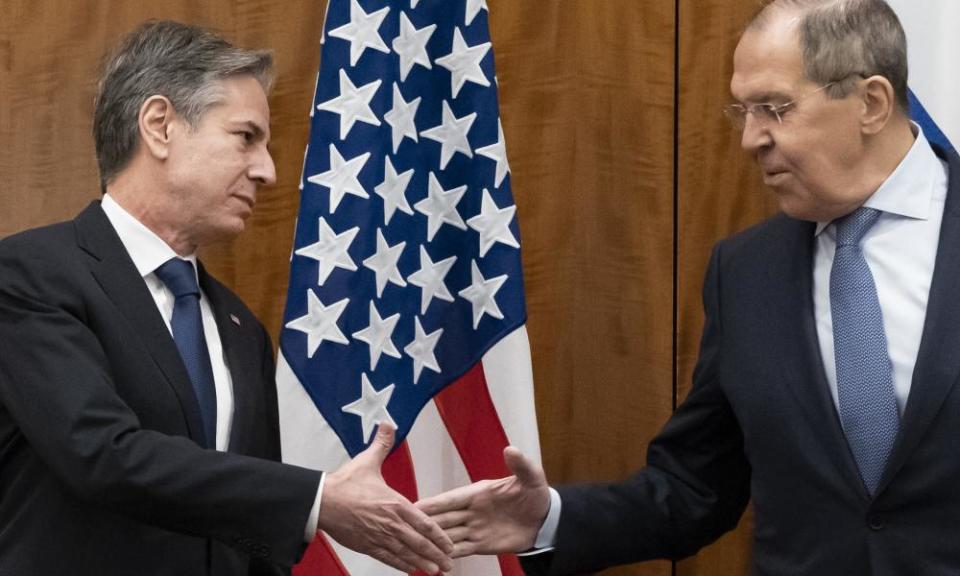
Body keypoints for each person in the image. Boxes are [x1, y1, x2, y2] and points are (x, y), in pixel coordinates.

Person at [417, 1, 960, 574]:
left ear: (870, 103)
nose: (752, 139)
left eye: (774, 108)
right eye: (743, 112)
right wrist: (548, 518)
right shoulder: (746, 272)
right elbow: (696, 487)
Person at [0, 20, 452, 576]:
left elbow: (250, 524)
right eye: (246, 137)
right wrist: (317, 499)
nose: (268, 171)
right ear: (160, 125)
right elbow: (101, 454)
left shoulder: (239, 327)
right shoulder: (30, 274)